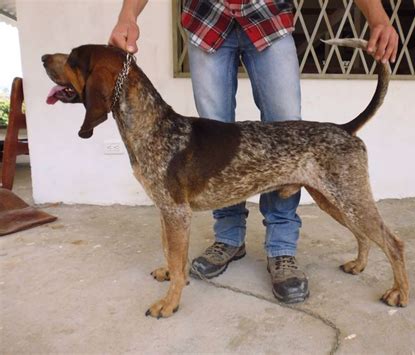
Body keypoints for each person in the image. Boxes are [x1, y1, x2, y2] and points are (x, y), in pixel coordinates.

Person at [109, 0, 398, 304]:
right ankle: (228, 239)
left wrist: (377, 15)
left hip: (268, 17)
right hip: (206, 20)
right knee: (211, 149)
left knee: (290, 134)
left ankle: (282, 248)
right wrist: (128, 14)